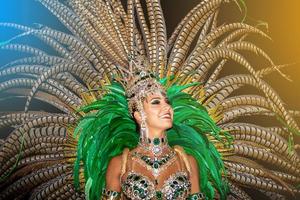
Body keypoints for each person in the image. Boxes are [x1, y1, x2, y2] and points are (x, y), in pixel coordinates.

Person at [0, 0, 299, 200]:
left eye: (166, 101)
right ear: (138, 114)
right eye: (156, 102)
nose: (167, 107)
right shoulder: (121, 163)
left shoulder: (187, 160)